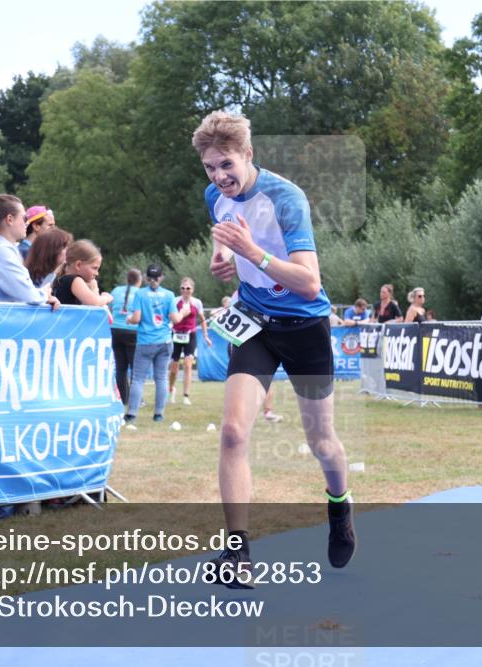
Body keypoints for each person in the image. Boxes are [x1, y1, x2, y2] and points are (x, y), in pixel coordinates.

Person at [194, 110, 355, 587]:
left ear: (248, 154)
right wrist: (222, 258)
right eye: (209, 168)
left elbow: (309, 283)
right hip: (255, 323)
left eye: (226, 165)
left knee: (321, 442)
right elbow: (226, 235)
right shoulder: (213, 197)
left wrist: (251, 252)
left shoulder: (287, 198)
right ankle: (238, 551)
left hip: (304, 326)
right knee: (232, 433)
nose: (219, 177)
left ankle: (340, 506)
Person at [125, 263, 191, 427]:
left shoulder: (140, 294)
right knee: (161, 378)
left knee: (138, 379)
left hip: (145, 342)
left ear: (147, 278)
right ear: (161, 277)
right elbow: (176, 319)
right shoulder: (169, 295)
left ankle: (132, 414)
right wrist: (184, 312)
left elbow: (137, 318)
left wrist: (129, 319)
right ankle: (158, 415)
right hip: (164, 342)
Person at [0, 194, 60, 308]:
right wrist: (44, 294)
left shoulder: (1, 250)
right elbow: (28, 295)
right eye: (24, 218)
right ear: (9, 219)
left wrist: (42, 296)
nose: (27, 223)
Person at [168, 277, 212, 406]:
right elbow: (169, 316)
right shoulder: (175, 301)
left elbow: (202, 319)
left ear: (192, 290)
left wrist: (205, 336)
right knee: (174, 367)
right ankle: (171, 389)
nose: (185, 290)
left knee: (188, 365)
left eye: (188, 288)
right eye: (183, 288)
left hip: (190, 335)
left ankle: (186, 395)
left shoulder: (197, 303)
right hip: (176, 335)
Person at [110, 268, 143, 408]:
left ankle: (122, 399)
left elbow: (110, 309)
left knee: (120, 367)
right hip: (132, 332)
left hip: (115, 330)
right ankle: (137, 399)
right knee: (136, 368)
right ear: (139, 280)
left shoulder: (116, 291)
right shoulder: (141, 293)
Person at [52, 240, 113, 308]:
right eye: (94, 268)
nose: (97, 273)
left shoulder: (60, 278)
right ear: (78, 265)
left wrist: (94, 288)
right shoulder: (74, 280)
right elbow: (94, 303)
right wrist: (106, 298)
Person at [25, 227, 72, 297]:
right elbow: (38, 297)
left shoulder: (63, 274)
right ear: (52, 251)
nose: (68, 251)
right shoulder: (29, 278)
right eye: (64, 247)